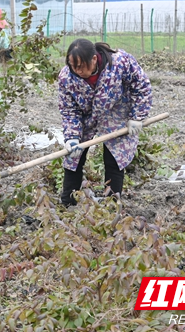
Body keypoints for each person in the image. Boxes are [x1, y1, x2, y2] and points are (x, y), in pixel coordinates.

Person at [58, 38, 153, 206]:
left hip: (115, 112)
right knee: (74, 157)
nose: (77, 70)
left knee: (114, 158)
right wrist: (72, 136)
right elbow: (69, 109)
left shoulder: (119, 63)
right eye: (73, 66)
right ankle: (68, 203)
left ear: (94, 59)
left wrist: (137, 116)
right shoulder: (67, 77)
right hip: (85, 116)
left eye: (81, 66)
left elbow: (141, 86)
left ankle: (112, 204)